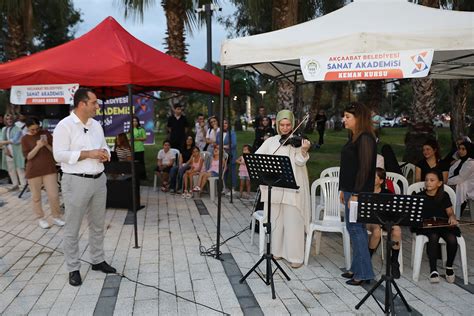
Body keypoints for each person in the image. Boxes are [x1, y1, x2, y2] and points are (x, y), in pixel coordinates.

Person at [53, 88, 116, 287]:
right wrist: (88, 153)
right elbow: (59, 155)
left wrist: (106, 154)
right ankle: (73, 268)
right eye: (94, 102)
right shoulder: (64, 126)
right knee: (73, 227)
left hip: (99, 179)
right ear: (82, 104)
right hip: (75, 181)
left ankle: (97, 260)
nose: (97, 106)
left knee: (98, 224)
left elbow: (105, 146)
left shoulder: (96, 125)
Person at [256, 110, 311, 269]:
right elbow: (258, 157)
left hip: (292, 188)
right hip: (275, 187)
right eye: (282, 125)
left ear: (293, 125)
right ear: (277, 124)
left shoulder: (297, 142)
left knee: (293, 222)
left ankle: (295, 256)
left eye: (288, 125)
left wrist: (303, 151)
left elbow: (300, 162)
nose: (286, 128)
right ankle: (276, 251)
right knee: (276, 221)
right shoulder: (271, 141)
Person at [339, 102, 376, 285]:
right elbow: (348, 167)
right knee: (356, 229)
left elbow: (365, 169)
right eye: (344, 116)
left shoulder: (366, 138)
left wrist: (356, 193)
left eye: (347, 117)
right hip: (350, 191)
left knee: (356, 229)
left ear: (358, 118)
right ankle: (356, 268)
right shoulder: (354, 137)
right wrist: (342, 189)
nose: (344, 119)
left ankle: (364, 273)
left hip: (358, 193)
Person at [413, 169, 460, 283]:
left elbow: (449, 212)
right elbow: (415, 214)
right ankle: (433, 270)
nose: (428, 182)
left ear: (439, 183)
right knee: (433, 236)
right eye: (427, 180)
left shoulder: (444, 196)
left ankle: (449, 267)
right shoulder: (420, 196)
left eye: (432, 180)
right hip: (427, 226)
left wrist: (452, 217)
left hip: (442, 224)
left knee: (452, 239)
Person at [21, 117, 64, 229]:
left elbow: (55, 151)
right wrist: (38, 146)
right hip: (33, 171)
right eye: (32, 129)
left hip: (49, 169)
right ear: (27, 128)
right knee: (36, 197)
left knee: (54, 195)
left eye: (37, 128)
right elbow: (28, 156)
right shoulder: (25, 139)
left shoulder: (45, 133)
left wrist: (46, 145)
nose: (35, 131)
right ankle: (40, 218)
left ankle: (56, 216)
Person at [366, 168, 402, 278]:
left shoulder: (387, 193)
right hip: (370, 220)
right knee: (376, 231)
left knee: (397, 230)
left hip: (385, 220)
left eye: (374, 177)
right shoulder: (365, 192)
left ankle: (394, 261)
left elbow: (393, 211)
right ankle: (367, 260)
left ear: (381, 181)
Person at [447, 141, 474, 215]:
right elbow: (451, 173)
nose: (460, 151)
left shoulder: (471, 163)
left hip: (469, 187)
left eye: (463, 149)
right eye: (459, 149)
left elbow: (461, 178)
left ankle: (455, 213)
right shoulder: (459, 161)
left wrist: (446, 182)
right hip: (457, 184)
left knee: (445, 190)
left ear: (468, 150)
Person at [0, 114, 26, 189]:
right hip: (7, 151)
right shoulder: (4, 129)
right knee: (11, 169)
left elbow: (15, 140)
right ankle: (15, 185)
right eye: (7, 119)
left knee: (19, 168)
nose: (9, 120)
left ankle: (24, 185)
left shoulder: (18, 129)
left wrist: (3, 143)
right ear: (5, 120)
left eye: (11, 119)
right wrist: (5, 148)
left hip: (17, 151)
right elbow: (1, 139)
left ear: (13, 119)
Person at [217, 119, 237, 190]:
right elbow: (217, 143)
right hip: (222, 156)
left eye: (226, 123)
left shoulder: (232, 133)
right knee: (223, 171)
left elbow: (234, 144)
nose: (224, 125)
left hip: (231, 155)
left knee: (232, 172)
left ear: (228, 125)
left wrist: (223, 146)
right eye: (223, 123)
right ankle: (224, 187)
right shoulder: (218, 133)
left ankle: (233, 188)